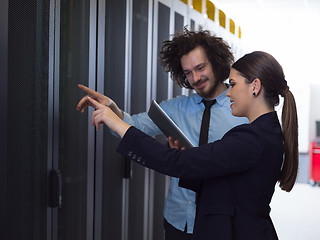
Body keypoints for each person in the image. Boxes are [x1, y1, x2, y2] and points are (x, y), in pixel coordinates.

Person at [83, 51, 299, 240]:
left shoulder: (253, 138)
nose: (230, 92)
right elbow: (231, 185)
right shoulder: (263, 133)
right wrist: (193, 161)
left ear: (255, 86)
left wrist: (117, 124)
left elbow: (178, 164)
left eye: (233, 84)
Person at [77, 29, 247, 239]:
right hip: (178, 220)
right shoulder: (176, 107)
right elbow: (134, 126)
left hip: (221, 222)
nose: (195, 78)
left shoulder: (241, 110)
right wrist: (112, 108)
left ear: (216, 62)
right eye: (187, 73)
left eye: (200, 68)